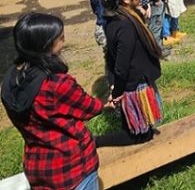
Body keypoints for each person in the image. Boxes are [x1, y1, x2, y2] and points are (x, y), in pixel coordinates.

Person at [1, 13, 114, 190]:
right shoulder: (56, 84)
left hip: (38, 166)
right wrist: (104, 104)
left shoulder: (10, 80)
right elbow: (87, 107)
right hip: (73, 167)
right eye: (60, 38)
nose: (64, 40)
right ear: (45, 45)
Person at [96, 0, 164, 147]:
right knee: (140, 134)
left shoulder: (119, 19)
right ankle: (95, 142)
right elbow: (121, 65)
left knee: (142, 130)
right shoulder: (125, 25)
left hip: (135, 82)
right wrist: (117, 93)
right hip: (134, 86)